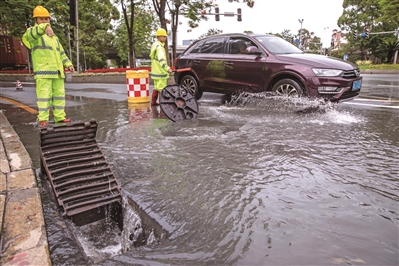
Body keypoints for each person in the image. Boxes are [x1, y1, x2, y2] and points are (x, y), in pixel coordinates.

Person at [22, 5, 75, 127]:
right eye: (41, 19)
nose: (45, 21)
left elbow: (61, 53)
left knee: (59, 96)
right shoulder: (34, 35)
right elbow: (31, 33)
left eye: (47, 19)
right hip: (43, 72)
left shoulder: (54, 37)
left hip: (57, 72)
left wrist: (68, 64)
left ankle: (60, 116)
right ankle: (43, 119)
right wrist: (44, 27)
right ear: (36, 20)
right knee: (44, 96)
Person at [149, 28, 173, 106]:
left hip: (155, 72)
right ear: (160, 37)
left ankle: (153, 102)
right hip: (160, 72)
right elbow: (161, 60)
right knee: (162, 89)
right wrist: (167, 68)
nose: (165, 38)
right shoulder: (159, 47)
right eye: (164, 36)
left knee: (156, 87)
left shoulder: (154, 45)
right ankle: (164, 104)